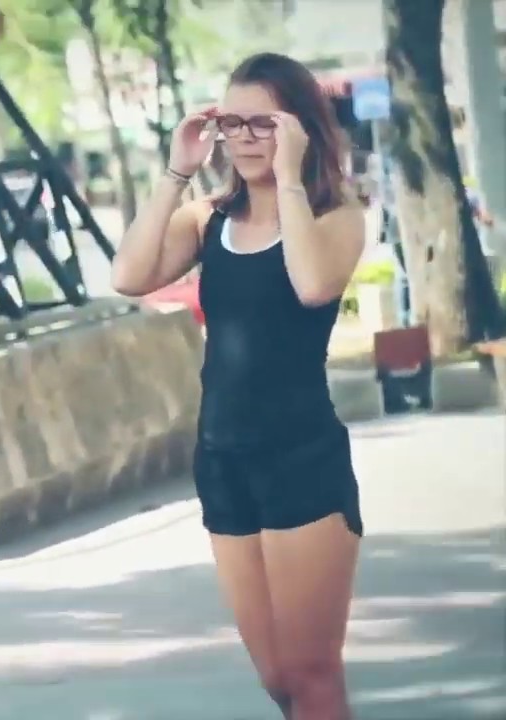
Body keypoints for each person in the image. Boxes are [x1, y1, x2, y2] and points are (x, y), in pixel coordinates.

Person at [112, 52, 366, 720]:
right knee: (277, 677)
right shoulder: (209, 220)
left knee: (312, 674)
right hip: (222, 460)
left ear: (299, 128)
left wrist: (288, 181)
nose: (245, 138)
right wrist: (177, 172)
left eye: (264, 124)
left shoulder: (337, 217)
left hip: (300, 458)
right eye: (232, 123)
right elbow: (129, 276)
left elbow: (311, 284)